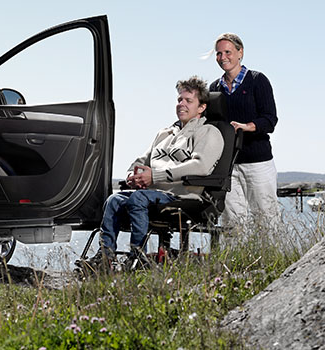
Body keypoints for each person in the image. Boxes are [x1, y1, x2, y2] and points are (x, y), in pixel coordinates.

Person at [87, 76, 224, 268]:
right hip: (151, 194)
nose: (181, 104)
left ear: (201, 107)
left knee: (138, 198)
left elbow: (200, 167)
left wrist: (155, 176)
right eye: (179, 100)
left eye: (188, 100)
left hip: (183, 196)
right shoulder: (165, 134)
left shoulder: (210, 133)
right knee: (114, 200)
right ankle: (105, 257)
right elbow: (142, 160)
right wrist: (132, 176)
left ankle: (138, 257)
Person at [209, 33, 279, 227]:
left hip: (258, 162)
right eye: (218, 53)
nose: (222, 58)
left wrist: (245, 127)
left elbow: (270, 120)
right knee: (232, 223)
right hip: (227, 165)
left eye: (228, 52)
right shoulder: (214, 88)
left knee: (266, 220)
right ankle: (237, 258)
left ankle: (270, 257)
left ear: (240, 52)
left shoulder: (257, 80)